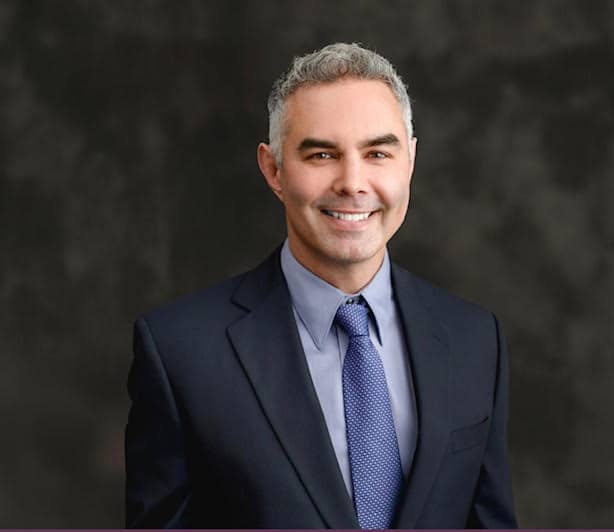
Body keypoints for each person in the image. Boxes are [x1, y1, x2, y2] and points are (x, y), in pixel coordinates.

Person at [125, 42, 517, 529]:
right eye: (322, 154)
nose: (353, 182)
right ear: (274, 170)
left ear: (409, 161)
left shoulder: (474, 340)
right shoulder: (180, 352)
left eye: (377, 152)